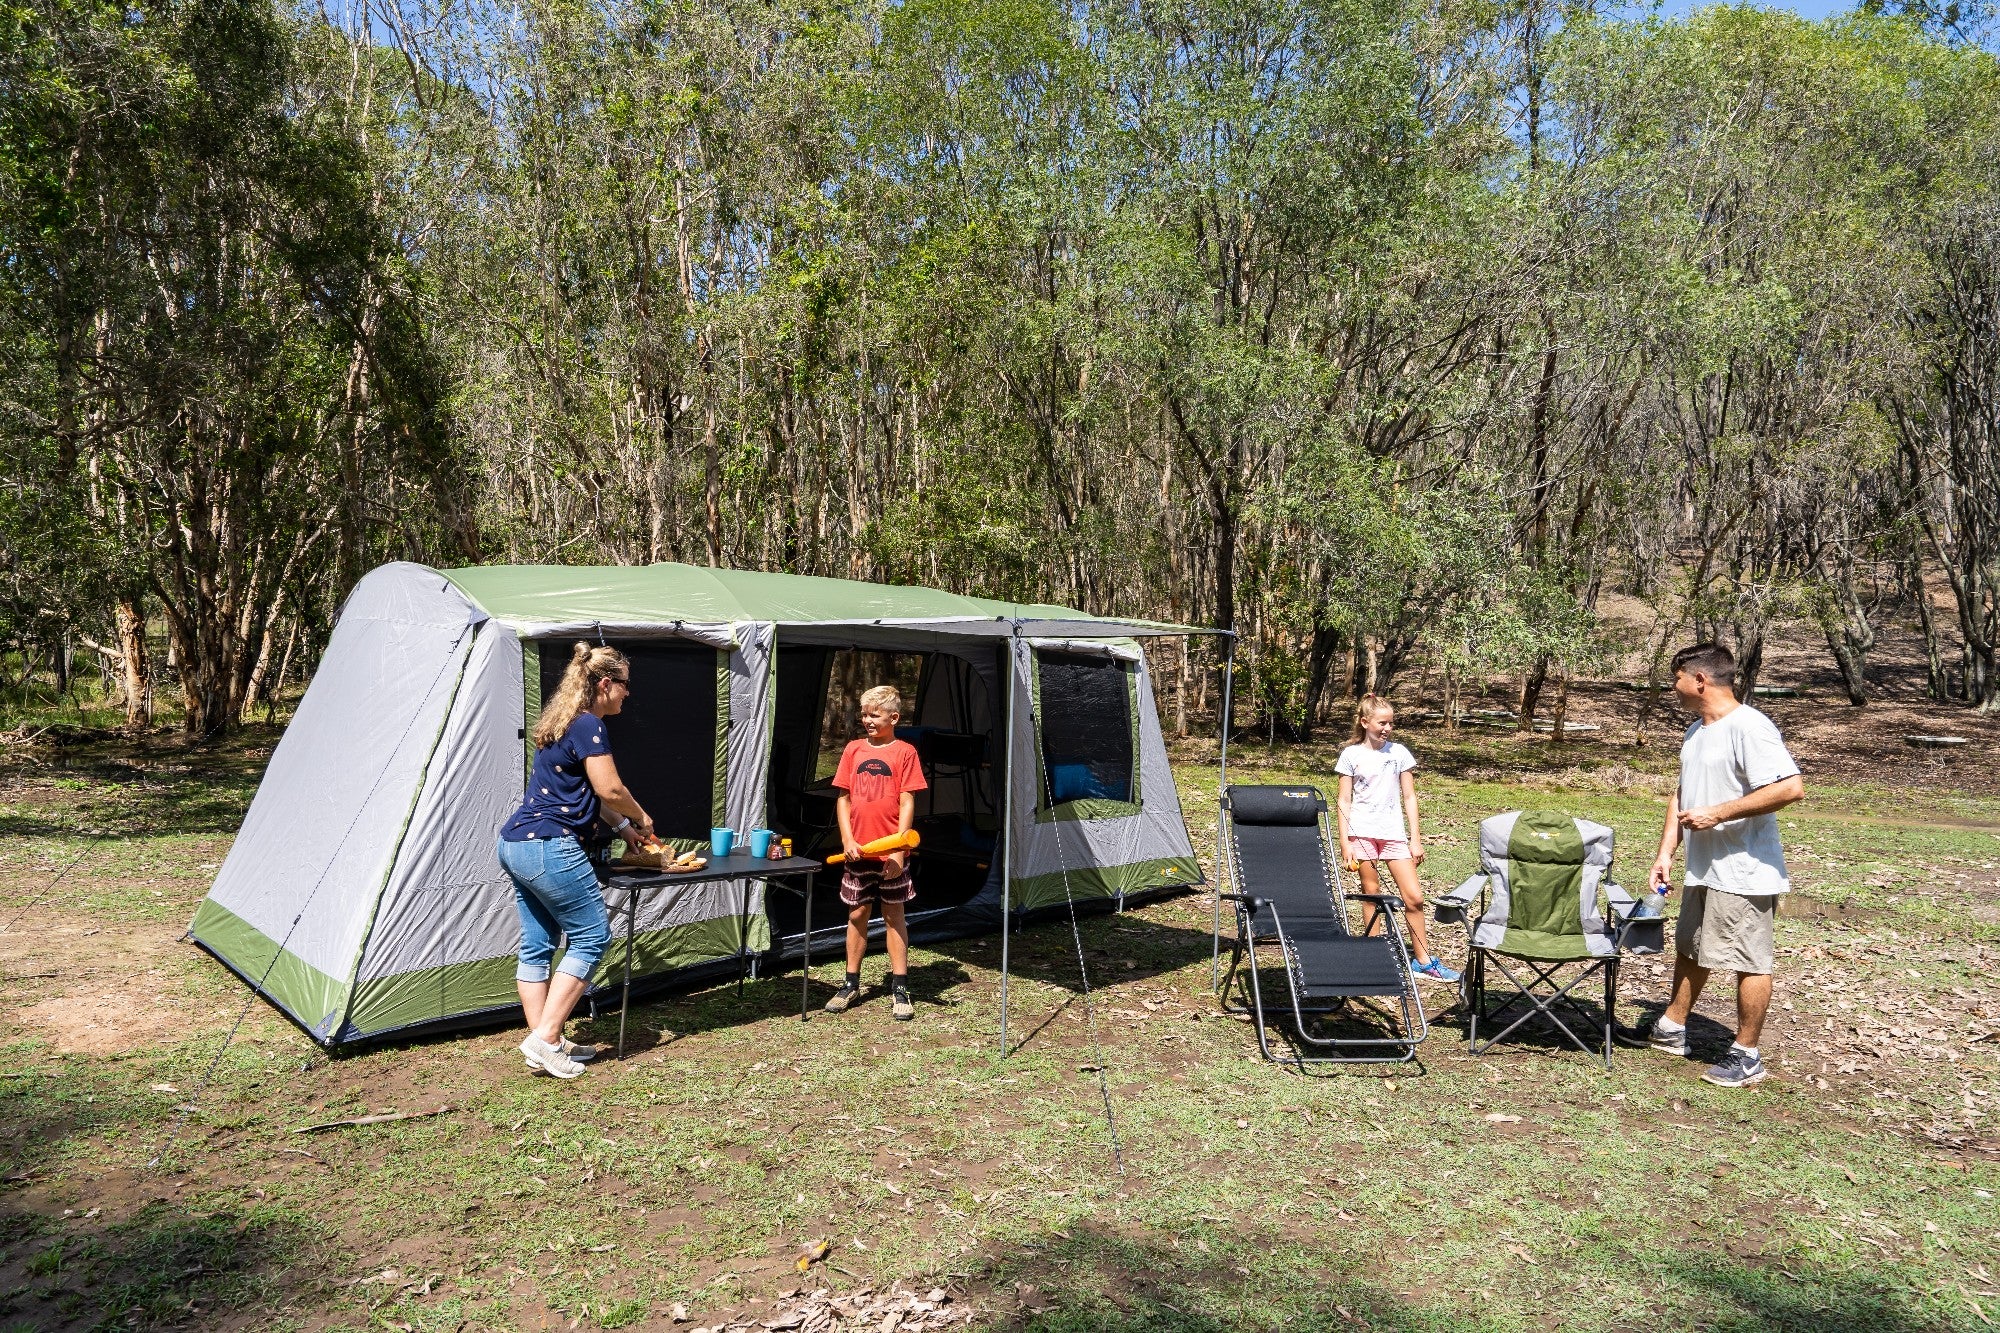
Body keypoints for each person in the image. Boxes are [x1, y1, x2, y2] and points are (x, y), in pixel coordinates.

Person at [1634, 641, 1804, 1088]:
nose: (1674, 687)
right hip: (1703, 865)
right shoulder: (1697, 731)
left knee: (1750, 958)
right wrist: (1664, 853)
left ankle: (1747, 1054)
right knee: (1691, 946)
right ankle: (1673, 1027)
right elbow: (1682, 794)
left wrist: (1720, 813)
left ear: (1700, 679)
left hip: (1745, 868)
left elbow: (1789, 788)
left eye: (1676, 678)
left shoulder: (1750, 727)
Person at [495, 643, 654, 1079]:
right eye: (624, 685)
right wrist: (640, 817)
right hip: (550, 845)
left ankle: (544, 1041)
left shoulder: (561, 721)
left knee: (538, 943)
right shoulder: (590, 726)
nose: (627, 694)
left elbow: (579, 793)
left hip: (516, 843)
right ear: (605, 684)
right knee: (592, 936)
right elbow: (610, 791)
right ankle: (546, 1038)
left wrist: (623, 830)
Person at [1335, 694, 1459, 984]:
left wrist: (1415, 838)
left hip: (1393, 834)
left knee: (1414, 897)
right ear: (1365, 722)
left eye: (1391, 723)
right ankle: (1373, 955)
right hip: (1362, 833)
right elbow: (1344, 800)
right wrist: (1345, 843)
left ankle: (1424, 961)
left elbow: (1409, 796)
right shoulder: (1351, 755)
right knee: (1372, 894)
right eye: (1382, 722)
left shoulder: (1399, 753)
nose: (1387, 728)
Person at [824, 684, 927, 1021]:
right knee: (856, 914)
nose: (866, 719)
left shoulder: (905, 752)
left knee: (893, 915)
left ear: (894, 717)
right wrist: (847, 840)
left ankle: (900, 986)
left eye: (874, 714)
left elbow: (907, 799)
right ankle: (851, 983)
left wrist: (898, 850)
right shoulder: (853, 750)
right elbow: (843, 798)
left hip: (890, 855)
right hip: (858, 853)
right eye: (864, 714)